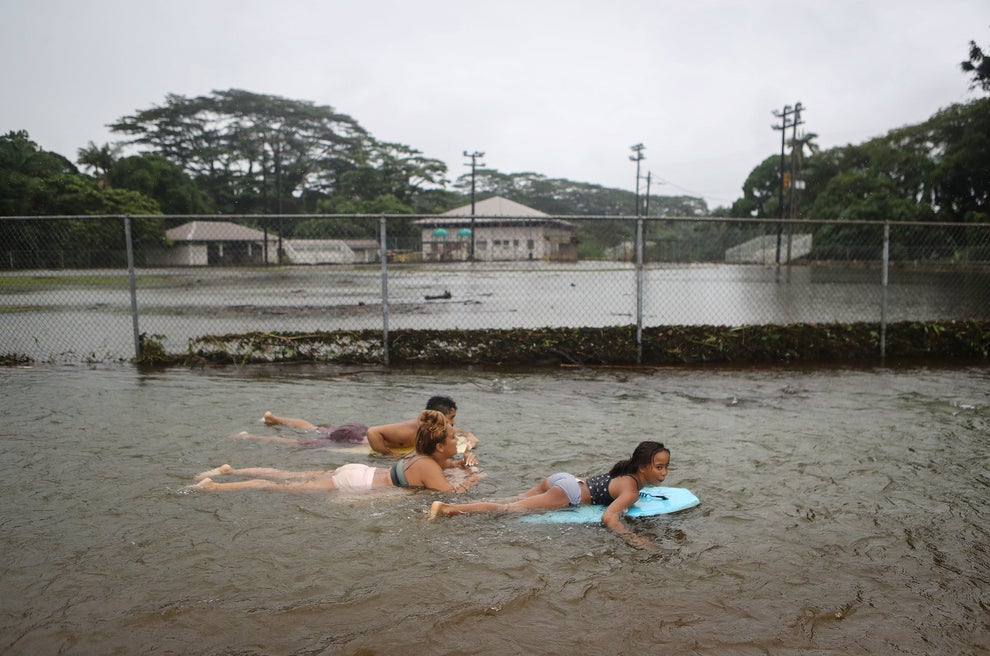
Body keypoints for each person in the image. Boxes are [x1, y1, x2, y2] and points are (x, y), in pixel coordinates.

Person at [428, 441, 671, 549]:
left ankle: (459, 505)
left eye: (665, 466)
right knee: (508, 510)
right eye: (659, 467)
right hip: (568, 492)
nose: (664, 472)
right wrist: (633, 538)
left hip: (565, 479)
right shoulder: (631, 491)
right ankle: (447, 509)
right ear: (642, 468)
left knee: (510, 500)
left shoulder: (624, 473)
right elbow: (609, 518)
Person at [191, 410, 483, 494]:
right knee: (279, 486)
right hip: (357, 483)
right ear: (440, 446)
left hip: (360, 472)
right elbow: (451, 495)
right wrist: (473, 477)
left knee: (289, 475)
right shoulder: (429, 466)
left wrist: (462, 463)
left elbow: (444, 468)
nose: (457, 440)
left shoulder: (421, 456)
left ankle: (232, 470)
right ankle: (214, 486)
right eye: (452, 437)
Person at [241, 395, 479, 457]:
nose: (453, 424)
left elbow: (459, 435)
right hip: (356, 436)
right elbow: (373, 432)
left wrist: (467, 435)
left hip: (356, 429)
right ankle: (251, 437)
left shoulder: (430, 425)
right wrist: (385, 455)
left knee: (316, 428)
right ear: (439, 416)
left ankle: (273, 418)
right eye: (451, 418)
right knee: (301, 442)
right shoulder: (415, 428)